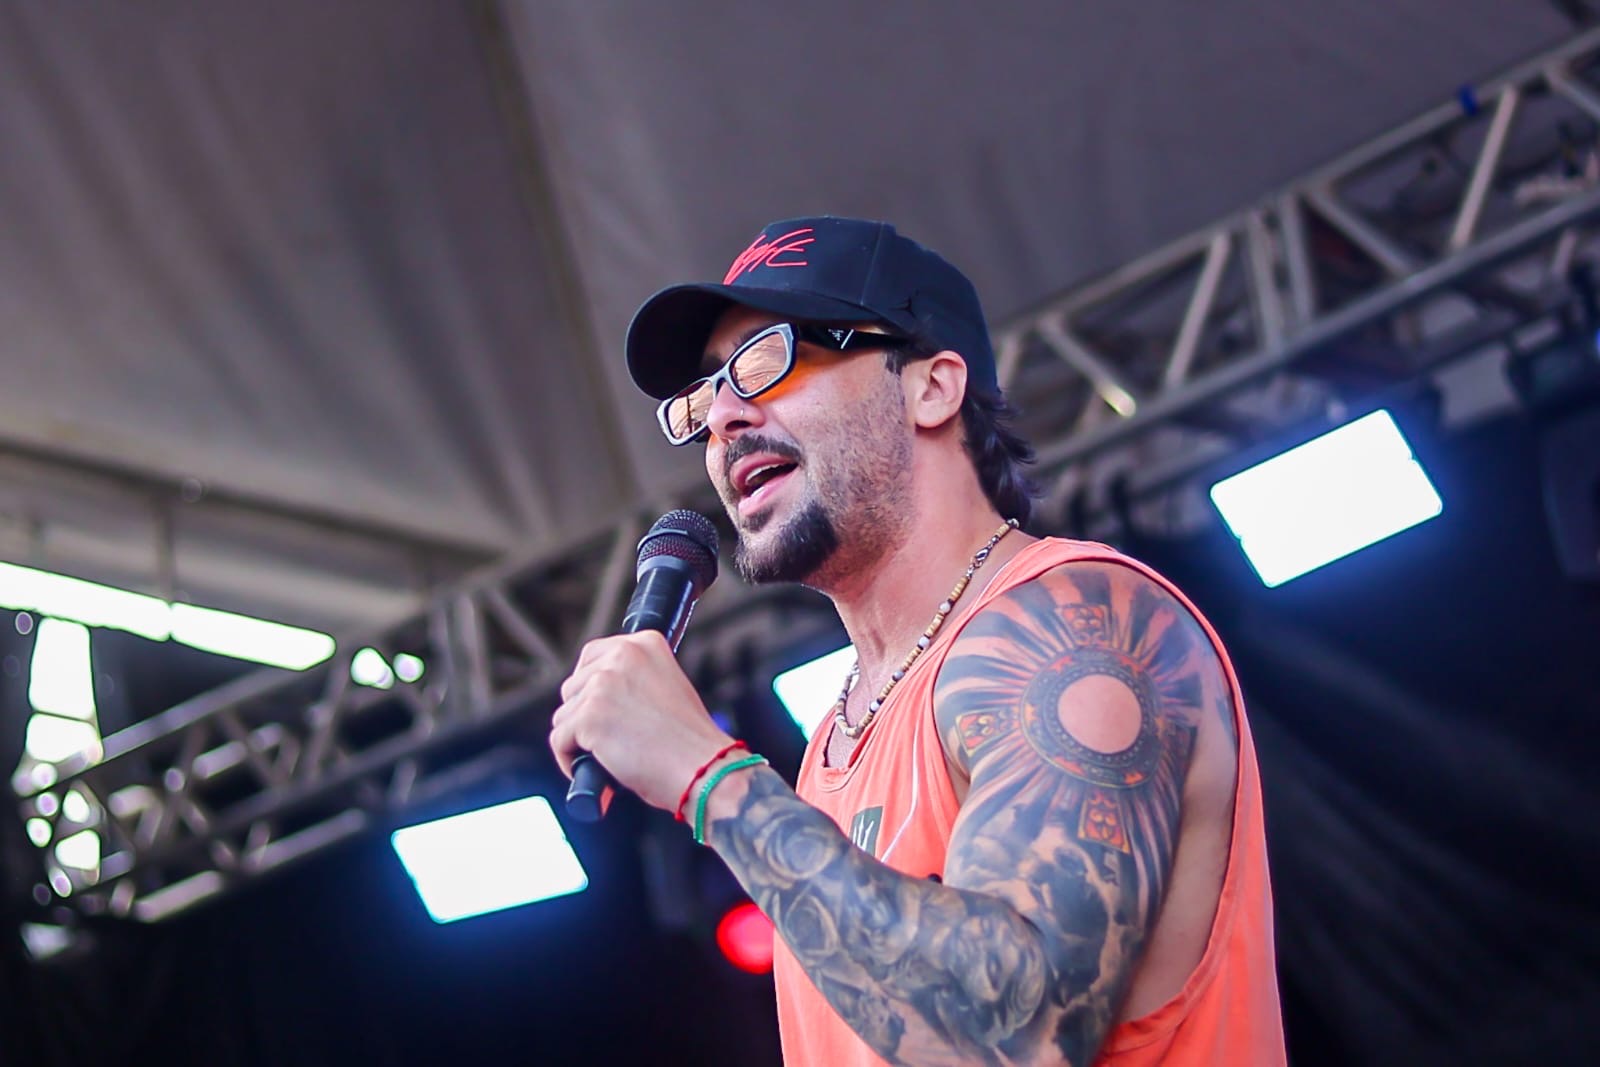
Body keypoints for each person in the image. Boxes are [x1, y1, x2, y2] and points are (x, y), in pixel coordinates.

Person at [550, 217, 1285, 1066]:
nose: (722, 416)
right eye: (704, 394)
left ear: (931, 387)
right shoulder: (833, 744)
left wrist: (705, 776)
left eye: (766, 359)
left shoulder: (1072, 622)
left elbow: (1026, 1029)